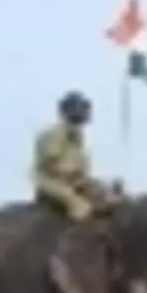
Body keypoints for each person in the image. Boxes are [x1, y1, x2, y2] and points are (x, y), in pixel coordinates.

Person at [31, 90, 115, 221]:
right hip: (52, 184)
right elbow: (50, 166)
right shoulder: (55, 134)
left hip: (75, 183)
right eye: (81, 107)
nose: (86, 112)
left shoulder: (78, 138)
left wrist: (93, 184)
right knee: (81, 208)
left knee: (110, 197)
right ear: (69, 110)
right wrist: (76, 179)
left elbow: (82, 171)